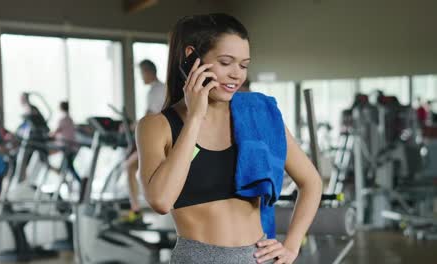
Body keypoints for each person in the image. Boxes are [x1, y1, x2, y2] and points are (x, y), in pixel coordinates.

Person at [136, 14, 322, 264]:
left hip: (258, 258)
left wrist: (291, 245)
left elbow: (311, 182)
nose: (237, 74)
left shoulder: (258, 116)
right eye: (226, 62)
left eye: (243, 65)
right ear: (192, 57)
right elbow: (161, 200)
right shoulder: (157, 126)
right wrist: (194, 118)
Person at [124, 60, 166, 223]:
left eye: (142, 73)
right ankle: (137, 209)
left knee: (129, 167)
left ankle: (136, 210)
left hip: (158, 140)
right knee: (131, 167)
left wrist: (133, 125)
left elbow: (150, 115)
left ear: (149, 72)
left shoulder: (156, 90)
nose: (141, 77)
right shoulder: (158, 89)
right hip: (158, 138)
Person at [50, 101, 81, 183]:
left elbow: (56, 131)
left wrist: (49, 135)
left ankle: (81, 184)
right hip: (71, 146)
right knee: (68, 167)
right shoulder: (70, 119)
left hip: (68, 146)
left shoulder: (63, 119)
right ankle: (75, 184)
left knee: (69, 167)